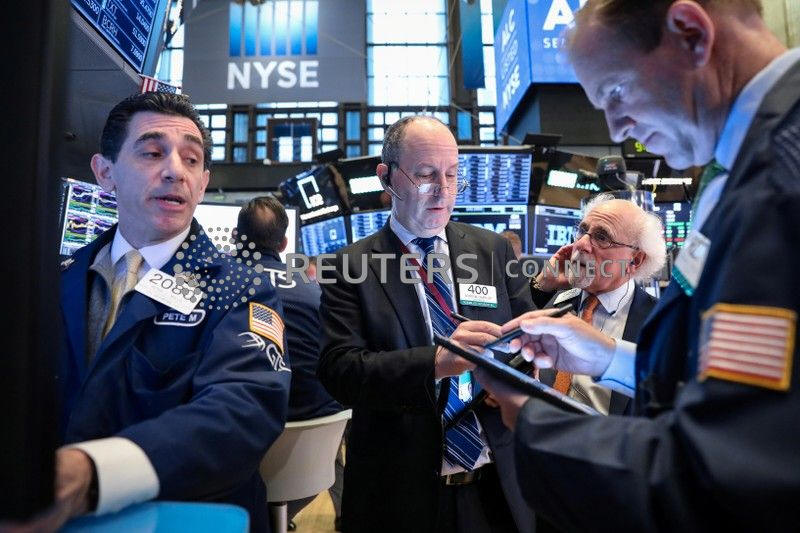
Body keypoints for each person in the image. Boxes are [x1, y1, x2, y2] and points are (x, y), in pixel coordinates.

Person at [475, 0, 800, 530]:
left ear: (691, 33)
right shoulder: (738, 170)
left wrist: (535, 425)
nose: (615, 124)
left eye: (615, 92)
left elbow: (731, 469)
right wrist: (609, 358)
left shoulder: (779, 178)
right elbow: (728, 381)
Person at [52, 92, 290, 532]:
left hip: (181, 517)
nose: (176, 170)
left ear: (202, 183)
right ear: (105, 173)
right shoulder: (55, 280)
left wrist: (94, 473)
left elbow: (242, 412)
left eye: (191, 159)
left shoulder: (241, 289)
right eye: (152, 152)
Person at [317, 116, 537, 533]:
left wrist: (519, 368)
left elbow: (523, 347)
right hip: (400, 492)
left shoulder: (491, 250)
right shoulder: (349, 266)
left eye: (452, 175)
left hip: (497, 487)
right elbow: (340, 371)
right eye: (425, 175)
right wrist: (436, 362)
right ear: (387, 177)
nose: (443, 190)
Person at [236, 195, 344, 526]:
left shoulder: (218, 286)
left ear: (236, 238)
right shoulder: (314, 289)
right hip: (312, 449)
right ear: (284, 244)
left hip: (244, 445)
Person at [530, 194, 664, 415]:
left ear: (635, 260)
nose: (581, 244)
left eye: (602, 237)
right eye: (583, 231)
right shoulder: (557, 299)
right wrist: (542, 284)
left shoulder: (659, 324)